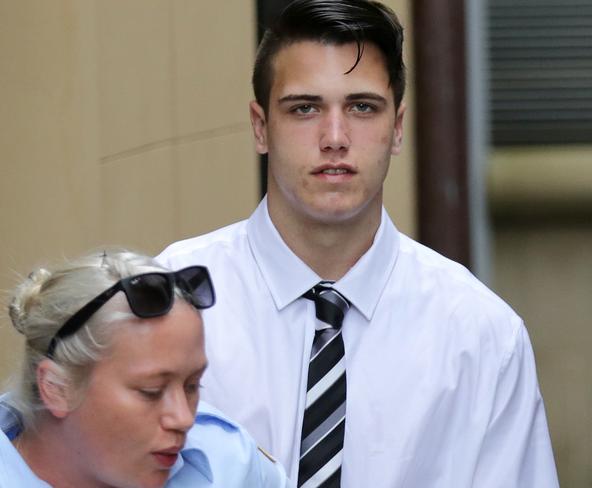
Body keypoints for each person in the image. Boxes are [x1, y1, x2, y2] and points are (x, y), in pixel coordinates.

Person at [158, 0, 559, 486]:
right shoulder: (173, 300)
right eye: (305, 108)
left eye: (362, 107)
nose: (334, 137)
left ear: (397, 128)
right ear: (261, 127)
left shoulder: (481, 336)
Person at [0, 250, 289, 487]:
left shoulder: (226, 458)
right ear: (56, 388)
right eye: (151, 391)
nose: (184, 419)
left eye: (192, 385)